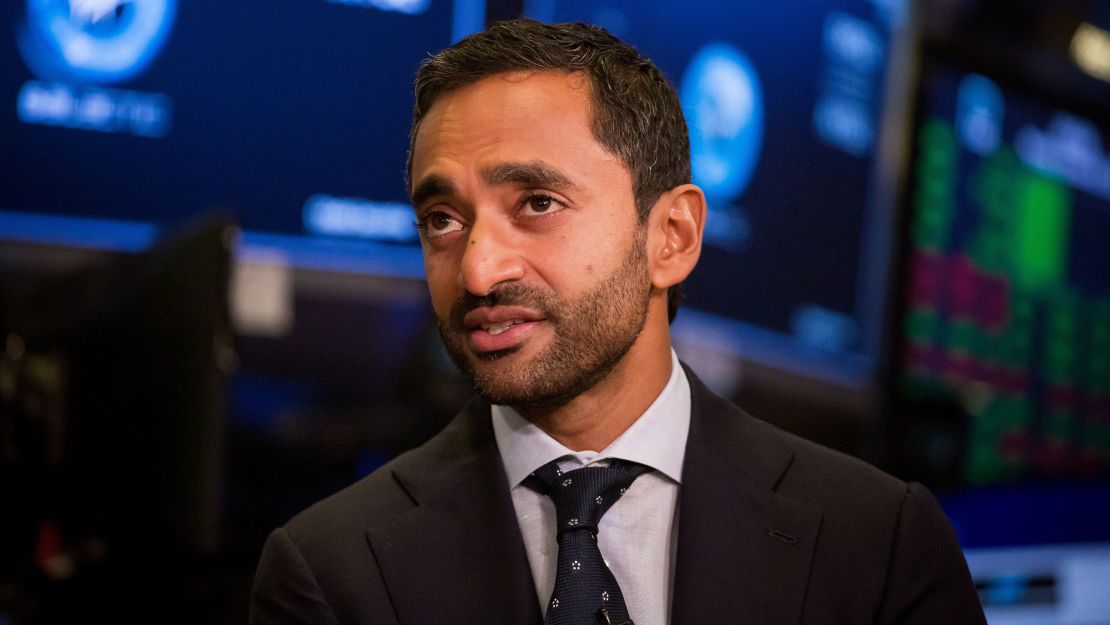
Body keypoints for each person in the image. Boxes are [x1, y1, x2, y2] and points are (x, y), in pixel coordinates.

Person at [250, 19, 986, 625]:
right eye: (442, 219)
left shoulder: (879, 542)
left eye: (536, 202)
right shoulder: (328, 571)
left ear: (672, 237)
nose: (477, 271)